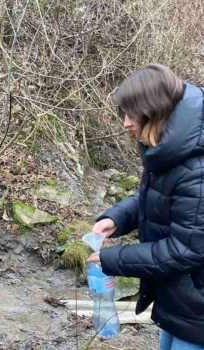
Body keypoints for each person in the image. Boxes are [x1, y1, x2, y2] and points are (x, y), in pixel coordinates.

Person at [88, 64, 204, 350]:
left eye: (131, 114)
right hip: (180, 299)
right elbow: (158, 197)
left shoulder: (197, 167)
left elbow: (185, 248)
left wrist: (114, 259)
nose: (125, 123)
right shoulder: (169, 149)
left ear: (156, 111)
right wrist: (117, 218)